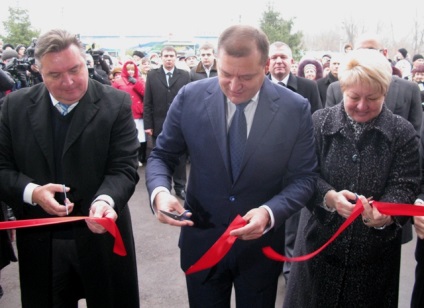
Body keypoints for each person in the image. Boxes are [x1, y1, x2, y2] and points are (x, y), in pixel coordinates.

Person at [145, 24, 318, 308]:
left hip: (260, 249)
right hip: (202, 241)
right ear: (216, 61)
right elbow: (161, 155)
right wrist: (160, 192)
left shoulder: (294, 108)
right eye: (226, 74)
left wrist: (269, 212)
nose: (234, 86)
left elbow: (304, 178)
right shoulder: (190, 97)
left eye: (246, 77)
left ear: (264, 67)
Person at [0, 28, 140, 307]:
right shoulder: (14, 107)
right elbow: (2, 168)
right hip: (42, 243)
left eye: (76, 69)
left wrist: (105, 200)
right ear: (38, 71)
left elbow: (123, 167)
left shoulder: (115, 103)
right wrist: (32, 192)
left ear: (85, 61)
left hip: (102, 237)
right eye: (55, 75)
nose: (69, 81)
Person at [284, 48, 421, 308]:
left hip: (373, 261)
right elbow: (301, 175)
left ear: (385, 93)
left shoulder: (402, 133)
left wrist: (385, 215)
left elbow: (406, 184)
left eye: (372, 98)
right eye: (354, 97)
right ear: (342, 90)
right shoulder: (319, 123)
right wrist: (328, 197)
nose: (361, 106)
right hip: (318, 251)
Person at [267, 41, 322, 283]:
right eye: (275, 57)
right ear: (268, 62)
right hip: (264, 165)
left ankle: (290, 271)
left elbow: (318, 120)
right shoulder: (258, 85)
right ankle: (269, 262)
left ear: (292, 61)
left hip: (295, 164)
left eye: (283, 57)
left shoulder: (308, 87)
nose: (279, 61)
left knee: (293, 218)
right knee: (267, 212)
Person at [144, 45, 190, 200]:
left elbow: (189, 101)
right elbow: (147, 102)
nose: (169, 59)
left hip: (180, 123)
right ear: (161, 58)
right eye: (166, 56)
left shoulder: (184, 75)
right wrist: (148, 125)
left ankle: (180, 186)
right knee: (161, 157)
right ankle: (163, 187)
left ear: (175, 58)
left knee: (180, 158)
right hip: (159, 123)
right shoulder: (152, 75)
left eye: (171, 56)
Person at [112, 60, 147, 166]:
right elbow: (113, 96)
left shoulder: (140, 80)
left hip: (138, 113)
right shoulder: (118, 81)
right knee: (127, 137)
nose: (131, 72)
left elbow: (146, 93)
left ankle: (139, 157)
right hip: (125, 113)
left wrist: (136, 82)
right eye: (128, 69)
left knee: (140, 137)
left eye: (133, 69)